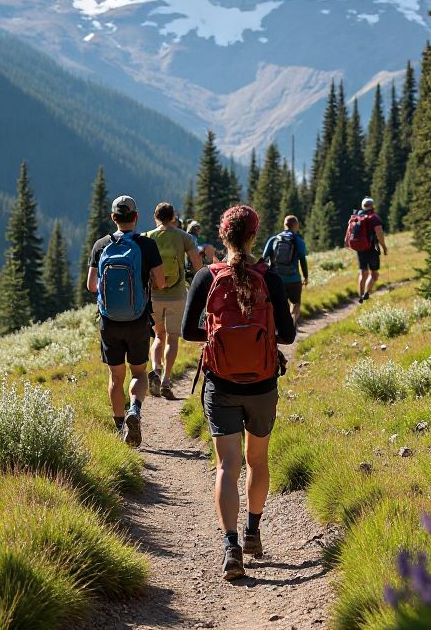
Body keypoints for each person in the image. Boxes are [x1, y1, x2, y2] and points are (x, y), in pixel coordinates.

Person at [182, 205, 296, 581]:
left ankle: (231, 548)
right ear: (253, 236)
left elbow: (188, 331)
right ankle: (253, 533)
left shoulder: (207, 276)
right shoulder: (269, 277)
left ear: (223, 235)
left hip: (221, 384)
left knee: (226, 466)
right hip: (262, 384)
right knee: (257, 461)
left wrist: (217, 336)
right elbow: (288, 335)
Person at [87, 195, 166, 447]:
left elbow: (91, 285)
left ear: (113, 218)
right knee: (139, 372)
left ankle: (120, 426)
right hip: (138, 319)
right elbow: (161, 281)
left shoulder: (101, 245)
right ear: (136, 217)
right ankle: (135, 410)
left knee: (115, 376)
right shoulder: (147, 245)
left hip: (109, 321)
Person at [146, 202, 203, 399]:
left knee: (158, 336)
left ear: (156, 217)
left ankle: (156, 369)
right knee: (172, 338)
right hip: (177, 295)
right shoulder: (184, 237)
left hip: (154, 295)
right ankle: (166, 380)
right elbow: (197, 264)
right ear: (173, 217)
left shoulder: (148, 236)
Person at [262, 215, 309, 326]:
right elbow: (302, 260)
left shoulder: (274, 239)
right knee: (296, 304)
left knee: (277, 305)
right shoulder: (298, 241)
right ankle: (292, 325)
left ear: (284, 225)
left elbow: (263, 258)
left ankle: (277, 328)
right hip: (294, 279)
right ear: (296, 226)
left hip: (276, 280)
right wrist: (305, 277)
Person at [352, 196, 388, 302]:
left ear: (363, 206)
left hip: (360, 248)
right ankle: (366, 295)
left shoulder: (357, 217)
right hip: (373, 248)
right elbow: (379, 234)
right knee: (374, 274)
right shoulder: (374, 217)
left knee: (363, 273)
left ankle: (361, 298)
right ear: (372, 206)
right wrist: (384, 247)